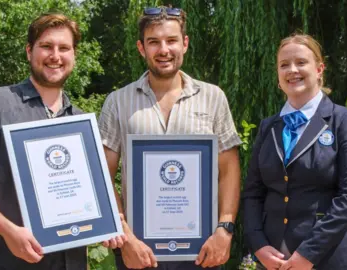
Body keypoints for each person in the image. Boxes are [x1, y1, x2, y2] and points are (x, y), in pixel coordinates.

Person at [0, 12, 125, 270]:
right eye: (46, 46)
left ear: (74, 55)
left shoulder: (80, 123)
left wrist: (109, 222)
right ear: (29, 51)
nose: (55, 56)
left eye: (64, 48)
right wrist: (9, 231)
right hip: (4, 262)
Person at [98, 6, 242, 270]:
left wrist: (225, 229)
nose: (164, 50)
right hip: (139, 253)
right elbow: (103, 174)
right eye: (154, 42)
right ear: (141, 48)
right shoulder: (117, 101)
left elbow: (229, 169)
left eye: (171, 40)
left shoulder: (213, 97)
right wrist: (126, 238)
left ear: (184, 44)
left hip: (202, 251)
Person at [242, 33, 347, 270]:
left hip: (331, 260)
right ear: (278, 75)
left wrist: (308, 254)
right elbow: (252, 193)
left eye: (301, 62)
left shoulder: (346, 121)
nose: (292, 70)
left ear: (320, 69)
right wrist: (258, 245)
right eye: (284, 65)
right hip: (274, 261)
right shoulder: (268, 127)